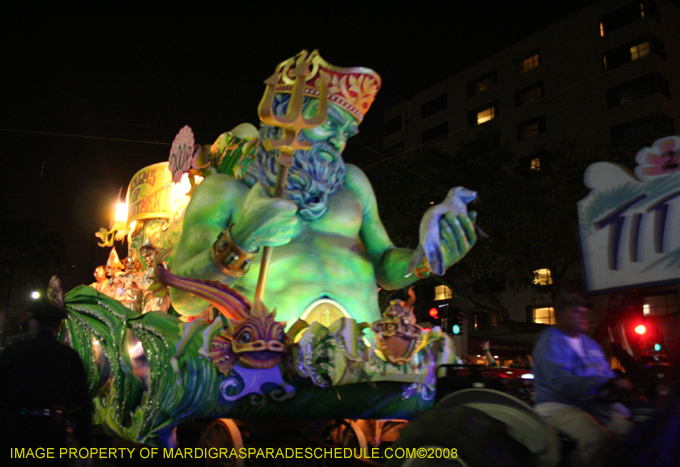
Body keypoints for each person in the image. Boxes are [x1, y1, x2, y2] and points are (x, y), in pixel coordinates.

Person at [170, 50, 478, 326]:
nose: (339, 141)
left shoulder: (352, 182)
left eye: (346, 131)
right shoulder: (223, 193)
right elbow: (184, 300)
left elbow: (383, 263)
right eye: (329, 124)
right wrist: (241, 240)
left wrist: (422, 260)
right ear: (284, 115)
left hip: (362, 360)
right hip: (270, 366)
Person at [532, 293, 633, 467]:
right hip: (557, 405)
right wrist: (601, 382)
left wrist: (617, 387)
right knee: (595, 438)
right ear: (559, 314)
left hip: (589, 405)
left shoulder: (590, 343)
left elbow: (605, 374)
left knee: (631, 432)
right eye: (576, 311)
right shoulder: (549, 342)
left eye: (584, 310)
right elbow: (560, 384)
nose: (584, 314)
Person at [0, 299, 93, 465]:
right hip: (53, 434)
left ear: (35, 323)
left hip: (18, 431)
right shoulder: (70, 357)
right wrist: (85, 446)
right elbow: (83, 403)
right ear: (57, 326)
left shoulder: (14, 352)